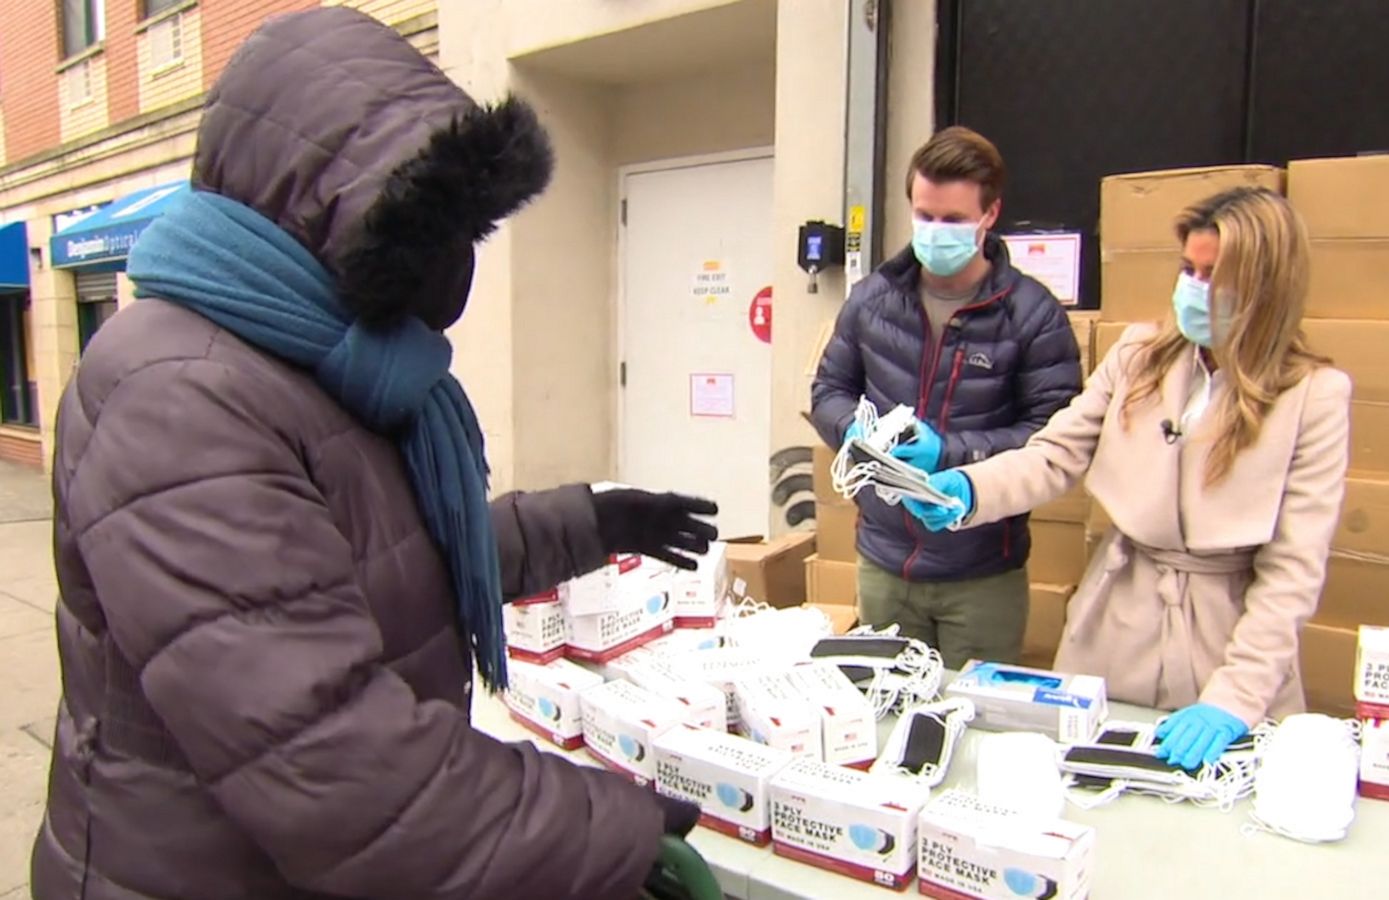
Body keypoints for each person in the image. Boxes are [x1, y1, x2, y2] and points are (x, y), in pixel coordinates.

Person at [33, 10, 712, 900]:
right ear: (331, 214)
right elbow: (334, 768)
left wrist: (590, 521)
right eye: (433, 229)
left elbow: (390, 561)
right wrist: (603, 825)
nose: (456, 266)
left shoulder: (326, 363)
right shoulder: (174, 394)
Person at [906, 187, 1351, 768]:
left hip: (1227, 638)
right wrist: (970, 490)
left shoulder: (1313, 397)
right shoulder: (1139, 356)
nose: (1193, 288)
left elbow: (1293, 570)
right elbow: (1054, 455)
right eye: (1188, 268)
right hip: (1117, 621)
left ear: (1265, 287)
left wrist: (1235, 698)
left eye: (1213, 274)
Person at [811, 127, 1082, 669]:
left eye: (954, 220)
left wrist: (951, 453)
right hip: (885, 563)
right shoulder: (871, 302)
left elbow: (1055, 439)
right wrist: (852, 431)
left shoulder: (1032, 315)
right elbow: (828, 391)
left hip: (981, 575)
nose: (935, 232)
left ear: (989, 215)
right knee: (884, 716)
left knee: (973, 722)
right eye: (924, 215)